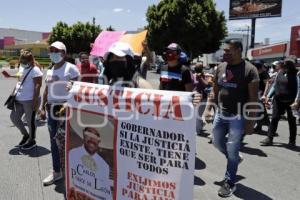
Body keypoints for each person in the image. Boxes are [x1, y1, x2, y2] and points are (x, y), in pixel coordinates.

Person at [212, 40, 259, 197]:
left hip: (238, 117)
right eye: (224, 51)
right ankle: (235, 158)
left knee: (232, 148)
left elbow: (253, 99)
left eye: (228, 51)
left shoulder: (250, 70)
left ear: (239, 50)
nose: (224, 54)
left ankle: (229, 181)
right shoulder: (220, 67)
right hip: (221, 113)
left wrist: (251, 122)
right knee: (216, 141)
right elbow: (215, 90)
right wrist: (208, 109)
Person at [40, 41, 80, 186]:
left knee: (68, 141)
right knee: (53, 141)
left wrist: (72, 88)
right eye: (51, 50)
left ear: (63, 53)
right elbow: (46, 90)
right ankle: (57, 171)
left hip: (64, 108)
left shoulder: (71, 68)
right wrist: (42, 107)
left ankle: (73, 172)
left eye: (56, 50)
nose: (52, 53)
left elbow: (78, 88)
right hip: (51, 107)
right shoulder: (50, 70)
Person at [261, 58, 298, 147]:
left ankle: (292, 141)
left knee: (291, 121)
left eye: (287, 64)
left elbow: (299, 88)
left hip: (291, 102)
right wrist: (268, 96)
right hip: (278, 100)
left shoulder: (296, 75)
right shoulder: (279, 73)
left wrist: (297, 101)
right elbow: (274, 85)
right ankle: (269, 138)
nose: (284, 66)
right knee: (274, 118)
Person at [10, 49, 43, 150]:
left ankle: (32, 140)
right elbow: (20, 78)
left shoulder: (35, 70)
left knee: (30, 122)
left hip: (30, 100)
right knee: (14, 118)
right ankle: (25, 135)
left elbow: (38, 85)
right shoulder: (21, 67)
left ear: (30, 60)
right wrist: (13, 92)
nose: (23, 63)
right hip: (19, 98)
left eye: (25, 62)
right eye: (21, 61)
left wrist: (35, 101)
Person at [69, 127, 112, 200]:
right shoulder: (72, 154)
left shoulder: (104, 166)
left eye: (96, 136)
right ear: (83, 134)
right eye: (89, 134)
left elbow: (106, 192)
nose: (92, 139)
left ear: (99, 140)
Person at [251, 60, 270, 133]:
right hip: (254, 92)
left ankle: (269, 126)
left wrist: (265, 95)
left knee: (259, 110)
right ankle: (259, 127)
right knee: (259, 110)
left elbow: (267, 84)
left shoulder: (264, 73)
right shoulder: (253, 72)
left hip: (260, 93)